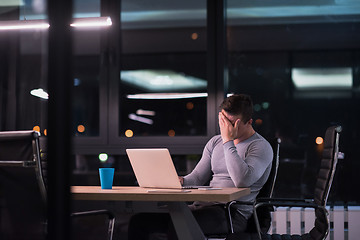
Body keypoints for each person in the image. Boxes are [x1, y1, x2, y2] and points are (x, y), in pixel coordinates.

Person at [128, 94, 273, 239]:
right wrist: (182, 181)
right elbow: (197, 177)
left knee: (180, 226)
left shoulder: (260, 147)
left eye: (233, 123)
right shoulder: (215, 142)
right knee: (140, 222)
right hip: (201, 207)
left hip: (231, 213)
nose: (227, 127)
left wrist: (228, 141)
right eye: (224, 122)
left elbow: (242, 181)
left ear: (249, 122)